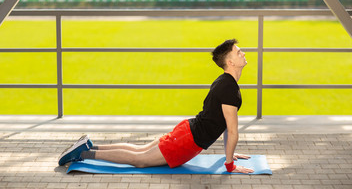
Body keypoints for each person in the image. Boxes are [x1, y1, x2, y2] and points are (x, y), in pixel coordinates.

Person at [58, 39, 254, 174]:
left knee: (139, 150)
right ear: (230, 62)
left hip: (187, 131)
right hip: (187, 141)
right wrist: (229, 165)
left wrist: (230, 153)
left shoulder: (224, 81)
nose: (243, 53)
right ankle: (82, 153)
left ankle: (90, 146)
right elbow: (231, 130)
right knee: (140, 160)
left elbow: (225, 125)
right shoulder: (229, 88)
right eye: (238, 52)